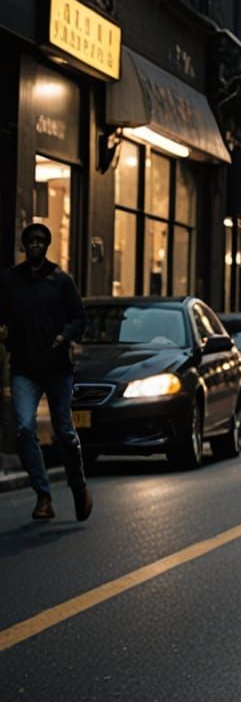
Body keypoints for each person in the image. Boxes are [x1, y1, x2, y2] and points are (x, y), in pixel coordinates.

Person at [0, 223, 92, 521]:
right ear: (24, 246)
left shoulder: (61, 281)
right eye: (31, 241)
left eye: (41, 240)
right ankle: (43, 496)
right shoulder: (10, 280)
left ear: (48, 245)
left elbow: (80, 318)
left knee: (64, 431)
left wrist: (64, 335)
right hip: (24, 367)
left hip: (57, 369)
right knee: (25, 429)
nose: (36, 245)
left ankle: (78, 488)